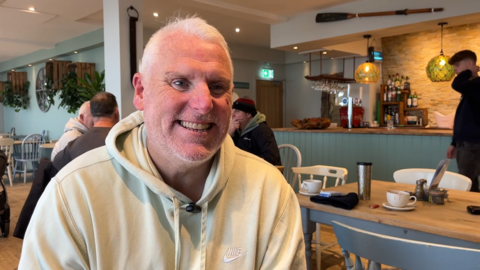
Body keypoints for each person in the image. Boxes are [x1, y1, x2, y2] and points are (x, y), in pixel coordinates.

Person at [19, 16, 305, 269]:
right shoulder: (73, 195)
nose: (204, 104)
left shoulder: (271, 194)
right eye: (180, 82)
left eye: (217, 87)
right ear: (141, 92)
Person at [53, 92, 119, 171]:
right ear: (116, 113)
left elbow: (56, 164)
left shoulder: (74, 145)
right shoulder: (126, 140)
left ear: (93, 115)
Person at [446, 50, 480, 192]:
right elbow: (463, 117)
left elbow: (457, 84)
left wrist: (468, 71)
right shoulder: (471, 86)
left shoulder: (477, 85)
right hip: (466, 143)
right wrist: (454, 142)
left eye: (458, 66)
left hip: (473, 144)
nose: (455, 70)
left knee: (466, 185)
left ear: (470, 63)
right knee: (470, 184)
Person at [228, 98, 282, 165]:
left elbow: (271, 157)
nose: (232, 115)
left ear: (248, 114)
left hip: (264, 171)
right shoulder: (235, 130)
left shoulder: (262, 130)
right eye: (232, 111)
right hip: (243, 170)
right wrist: (229, 134)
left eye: (237, 111)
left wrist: (245, 160)